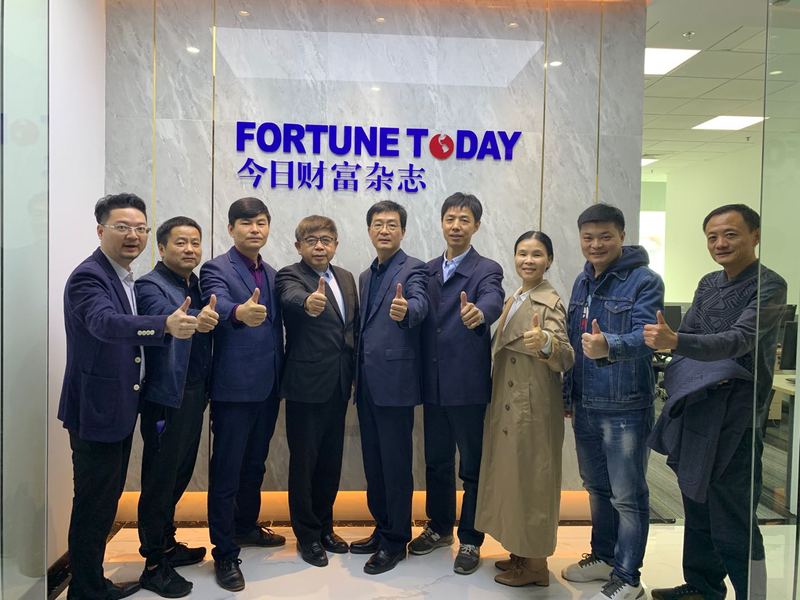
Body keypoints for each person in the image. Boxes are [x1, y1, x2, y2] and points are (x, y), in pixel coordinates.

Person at [58, 193, 198, 600]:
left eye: (140, 228)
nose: (132, 235)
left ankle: (91, 582)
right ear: (100, 230)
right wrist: (163, 325)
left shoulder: (122, 276)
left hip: (117, 404)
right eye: (122, 227)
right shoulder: (89, 277)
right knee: (94, 503)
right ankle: (86, 589)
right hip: (96, 408)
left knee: (104, 500)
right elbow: (104, 323)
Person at [645, 204, 787, 600]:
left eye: (730, 234)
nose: (720, 243)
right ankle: (702, 587)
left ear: (755, 236)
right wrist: (677, 347)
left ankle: (752, 596)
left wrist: (676, 342)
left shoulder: (770, 285)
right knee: (696, 501)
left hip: (738, 417)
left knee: (733, 515)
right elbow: (691, 332)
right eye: (712, 236)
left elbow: (739, 340)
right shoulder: (709, 283)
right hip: (699, 406)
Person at [562, 203, 664, 600]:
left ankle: (628, 576)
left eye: (605, 236)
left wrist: (611, 345)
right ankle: (603, 556)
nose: (596, 244)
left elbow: (649, 336)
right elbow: (574, 341)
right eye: (588, 237)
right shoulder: (582, 281)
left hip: (625, 405)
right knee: (596, 488)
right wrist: (568, 396)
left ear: (622, 235)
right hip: (585, 403)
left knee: (628, 496)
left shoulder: (644, 281)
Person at [411, 192, 504, 575]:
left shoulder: (486, 268)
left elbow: (493, 298)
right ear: (441, 222)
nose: (456, 226)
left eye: (464, 219)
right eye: (450, 218)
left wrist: (480, 313)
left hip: (466, 387)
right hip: (433, 385)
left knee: (472, 466)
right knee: (436, 461)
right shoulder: (428, 269)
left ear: (476, 225)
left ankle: (471, 538)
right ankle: (439, 527)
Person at [475, 230, 574, 587]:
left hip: (532, 407)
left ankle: (536, 567)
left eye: (536, 254)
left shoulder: (549, 302)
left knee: (533, 482)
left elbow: (566, 355)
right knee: (514, 480)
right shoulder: (517, 296)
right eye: (522, 253)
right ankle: (520, 552)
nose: (528, 260)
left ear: (549, 260)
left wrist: (546, 343)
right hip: (513, 403)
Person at [199, 197, 285, 592]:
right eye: (246, 223)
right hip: (233, 389)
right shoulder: (216, 268)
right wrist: (238, 313)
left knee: (254, 465)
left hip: (267, 387)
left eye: (261, 222)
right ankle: (224, 550)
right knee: (227, 470)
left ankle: (246, 526)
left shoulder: (272, 272)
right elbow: (217, 303)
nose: (254, 229)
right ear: (231, 228)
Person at [135, 216, 218, 597]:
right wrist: (193, 318)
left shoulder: (194, 283)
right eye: (181, 242)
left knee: (180, 472)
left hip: (194, 392)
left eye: (195, 243)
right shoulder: (150, 285)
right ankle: (153, 564)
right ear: (162, 247)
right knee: (160, 478)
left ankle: (166, 544)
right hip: (166, 397)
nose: (189, 249)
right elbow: (165, 316)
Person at [350, 200, 429, 575]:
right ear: (369, 230)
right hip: (367, 383)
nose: (384, 230)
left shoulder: (414, 268)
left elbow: (419, 302)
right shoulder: (366, 276)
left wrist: (407, 311)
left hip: (395, 384)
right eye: (378, 224)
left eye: (392, 224)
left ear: (403, 231)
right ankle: (381, 529)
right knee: (374, 463)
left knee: (396, 465)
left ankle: (397, 540)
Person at [276, 215, 359, 568]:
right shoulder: (290, 276)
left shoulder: (347, 278)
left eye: (326, 239)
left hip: (339, 384)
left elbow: (352, 329)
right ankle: (307, 535)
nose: (320, 246)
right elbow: (291, 297)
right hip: (306, 386)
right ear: (299, 246)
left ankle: (325, 527)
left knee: (329, 462)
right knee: (304, 464)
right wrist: (307, 302)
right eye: (311, 241)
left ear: (336, 244)